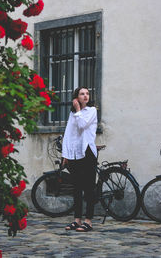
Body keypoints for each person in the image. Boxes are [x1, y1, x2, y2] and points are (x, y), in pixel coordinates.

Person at [62, 87, 98, 232]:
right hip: (75, 153)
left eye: (87, 94)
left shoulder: (92, 111)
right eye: (82, 94)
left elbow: (82, 125)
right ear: (76, 96)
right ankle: (77, 220)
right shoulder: (73, 113)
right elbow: (69, 133)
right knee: (76, 188)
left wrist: (77, 109)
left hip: (87, 152)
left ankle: (88, 222)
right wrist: (65, 154)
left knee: (88, 188)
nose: (85, 96)